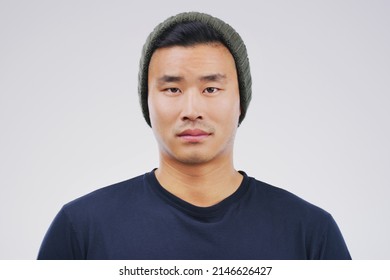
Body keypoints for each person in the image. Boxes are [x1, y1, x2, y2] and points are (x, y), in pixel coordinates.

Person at [37, 12, 351, 260]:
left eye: (211, 89)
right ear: (147, 101)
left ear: (240, 100)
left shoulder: (309, 232)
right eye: (172, 89)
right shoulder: (81, 228)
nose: (192, 109)